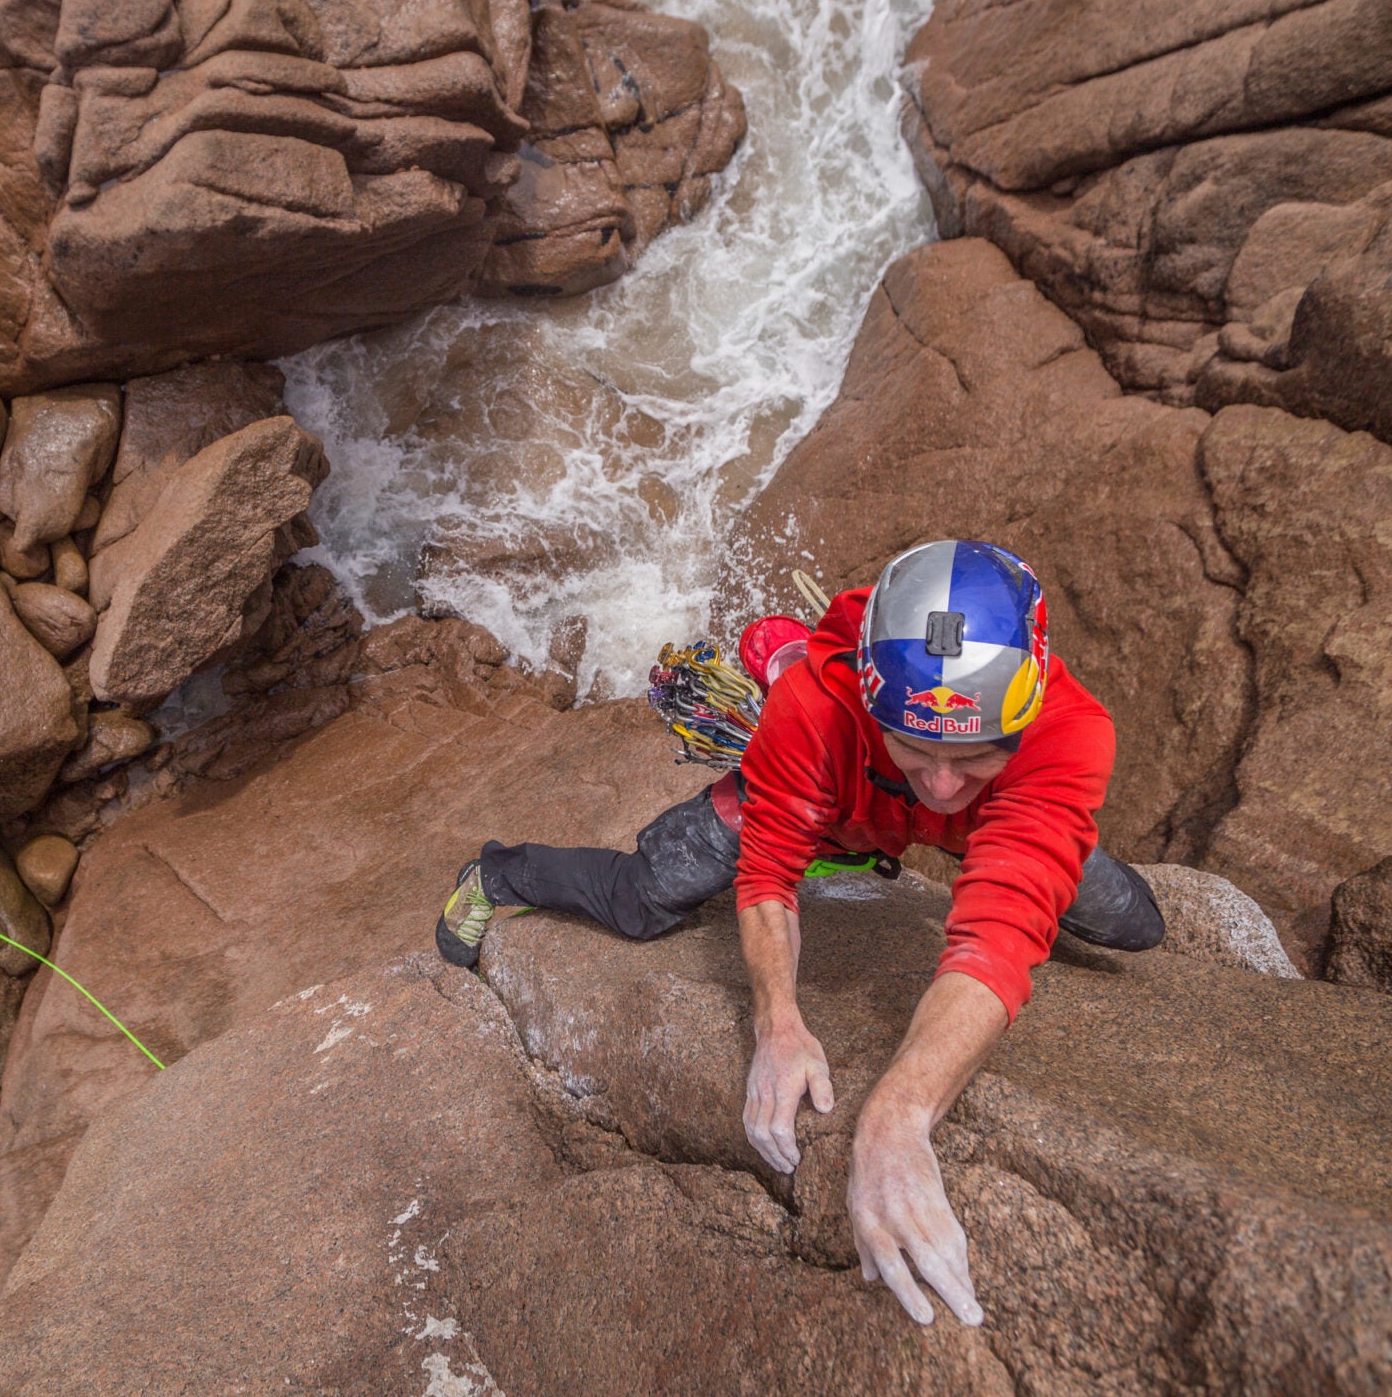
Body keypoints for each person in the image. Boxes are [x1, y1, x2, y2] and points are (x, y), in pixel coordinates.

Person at [435, 540, 1163, 1328]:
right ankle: (500, 875)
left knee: (1132, 924)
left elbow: (997, 932)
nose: (946, 784)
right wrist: (777, 1020)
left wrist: (896, 1118)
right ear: (872, 701)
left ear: (1019, 720)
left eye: (972, 757)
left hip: (986, 808)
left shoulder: (1066, 732)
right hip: (828, 796)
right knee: (647, 896)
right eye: (917, 749)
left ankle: (954, 767)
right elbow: (769, 876)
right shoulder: (818, 706)